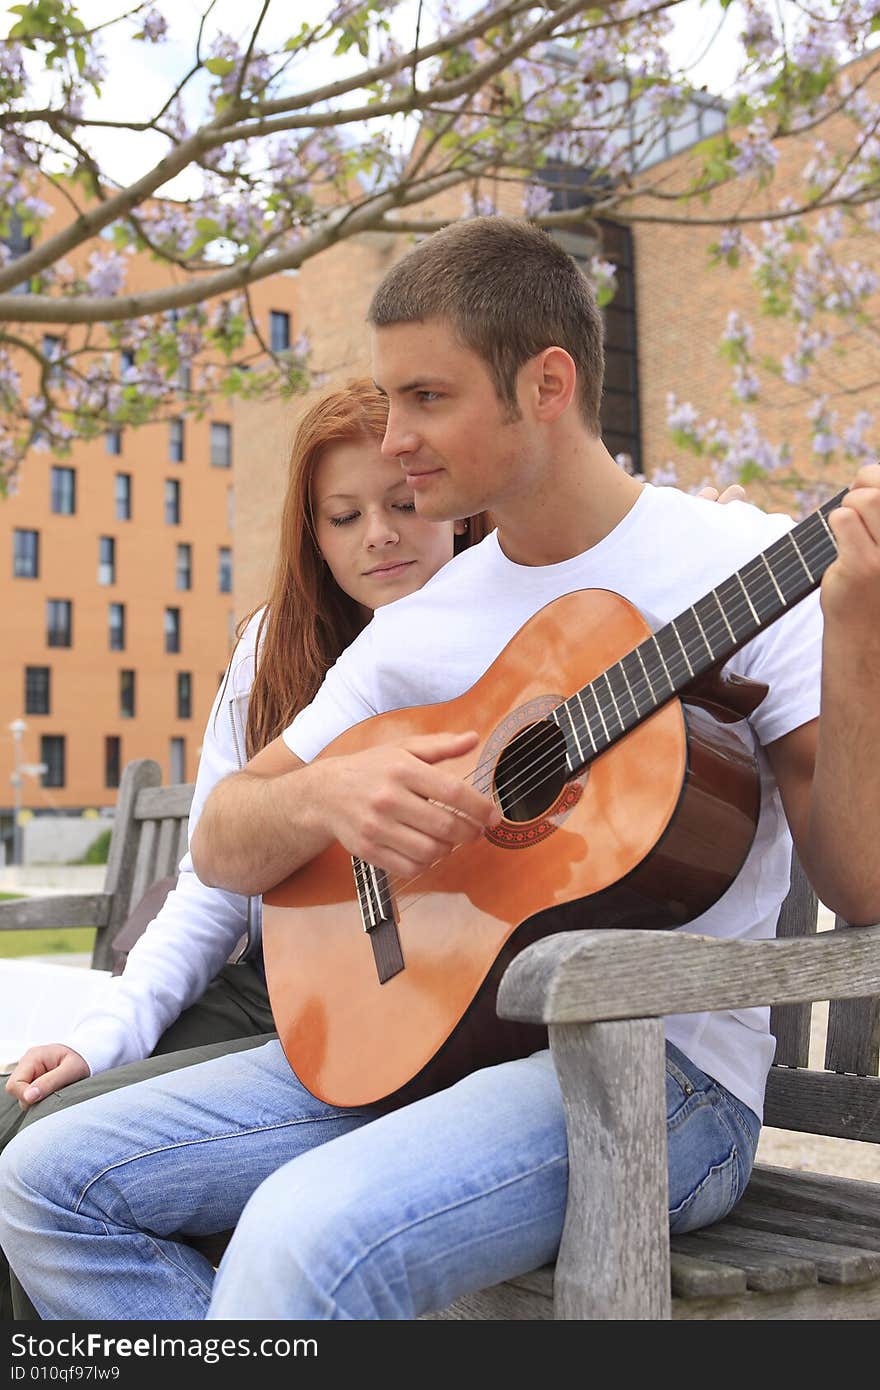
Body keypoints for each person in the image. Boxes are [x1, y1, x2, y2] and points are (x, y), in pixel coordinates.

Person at [2, 217, 854, 1323]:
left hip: (652, 1081)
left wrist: (864, 644)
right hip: (422, 1043)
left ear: (545, 384)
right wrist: (326, 793)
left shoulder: (744, 567)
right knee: (43, 1182)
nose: (393, 434)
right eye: (389, 397)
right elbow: (225, 833)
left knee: (302, 1236)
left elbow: (862, 889)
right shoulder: (422, 626)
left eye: (426, 397)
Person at [0, 378, 491, 1319]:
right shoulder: (274, 650)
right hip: (263, 982)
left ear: (456, 507)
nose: (380, 534)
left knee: (56, 1159)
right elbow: (211, 882)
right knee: (22, 1111)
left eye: (403, 503)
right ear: (312, 533)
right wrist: (109, 1033)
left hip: (398, 1001)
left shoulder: (503, 637)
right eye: (345, 516)